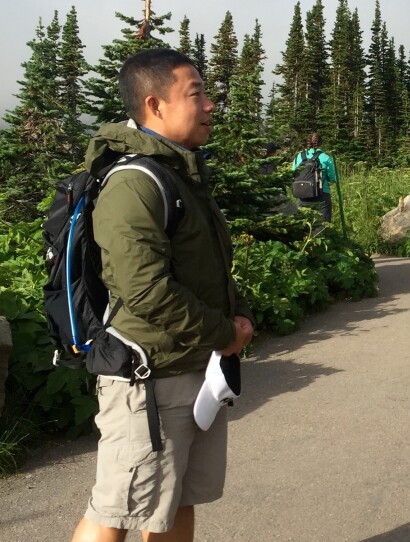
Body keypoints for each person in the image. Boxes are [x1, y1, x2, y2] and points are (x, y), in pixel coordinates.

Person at [71, 48, 254, 542]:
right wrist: (224, 332)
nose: (211, 104)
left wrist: (239, 315)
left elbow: (206, 267)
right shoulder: (134, 183)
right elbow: (145, 289)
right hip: (148, 379)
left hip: (195, 370)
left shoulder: (181, 175)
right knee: (117, 510)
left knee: (175, 505)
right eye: (196, 93)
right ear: (155, 105)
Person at [292, 132, 338, 222]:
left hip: (302, 195)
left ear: (307, 142)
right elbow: (334, 179)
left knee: (303, 225)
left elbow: (293, 173)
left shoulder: (299, 156)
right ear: (321, 143)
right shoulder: (325, 158)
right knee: (323, 225)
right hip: (322, 194)